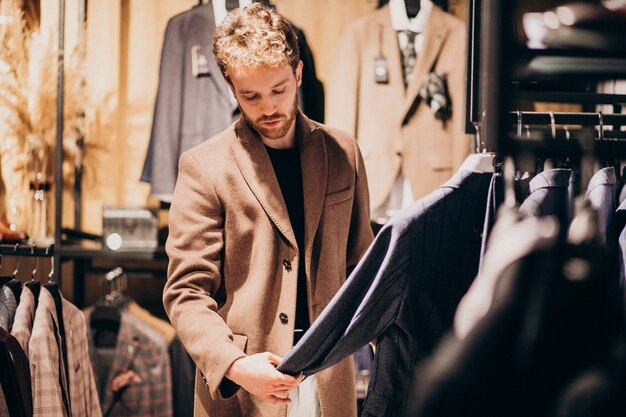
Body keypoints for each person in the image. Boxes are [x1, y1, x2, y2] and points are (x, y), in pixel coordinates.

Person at [162, 3, 375, 417]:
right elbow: (186, 292)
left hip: (329, 382)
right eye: (251, 96)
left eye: (278, 89)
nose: (268, 108)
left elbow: (361, 265)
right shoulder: (203, 166)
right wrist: (236, 365)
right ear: (230, 88)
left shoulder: (343, 152)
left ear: (297, 74)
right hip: (243, 388)